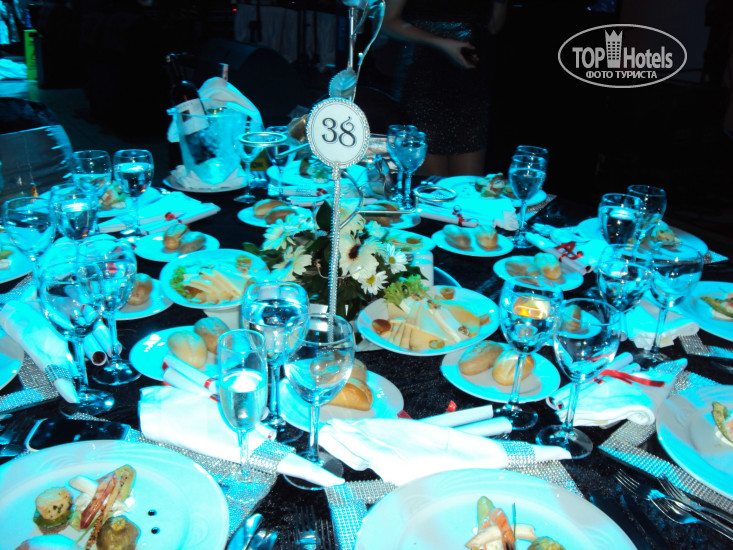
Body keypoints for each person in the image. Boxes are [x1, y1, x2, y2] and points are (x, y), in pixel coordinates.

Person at [382, 0, 507, 177]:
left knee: (467, 187)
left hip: (470, 87)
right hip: (423, 80)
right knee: (432, 187)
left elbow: (492, 27)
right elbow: (386, 22)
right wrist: (440, 43)